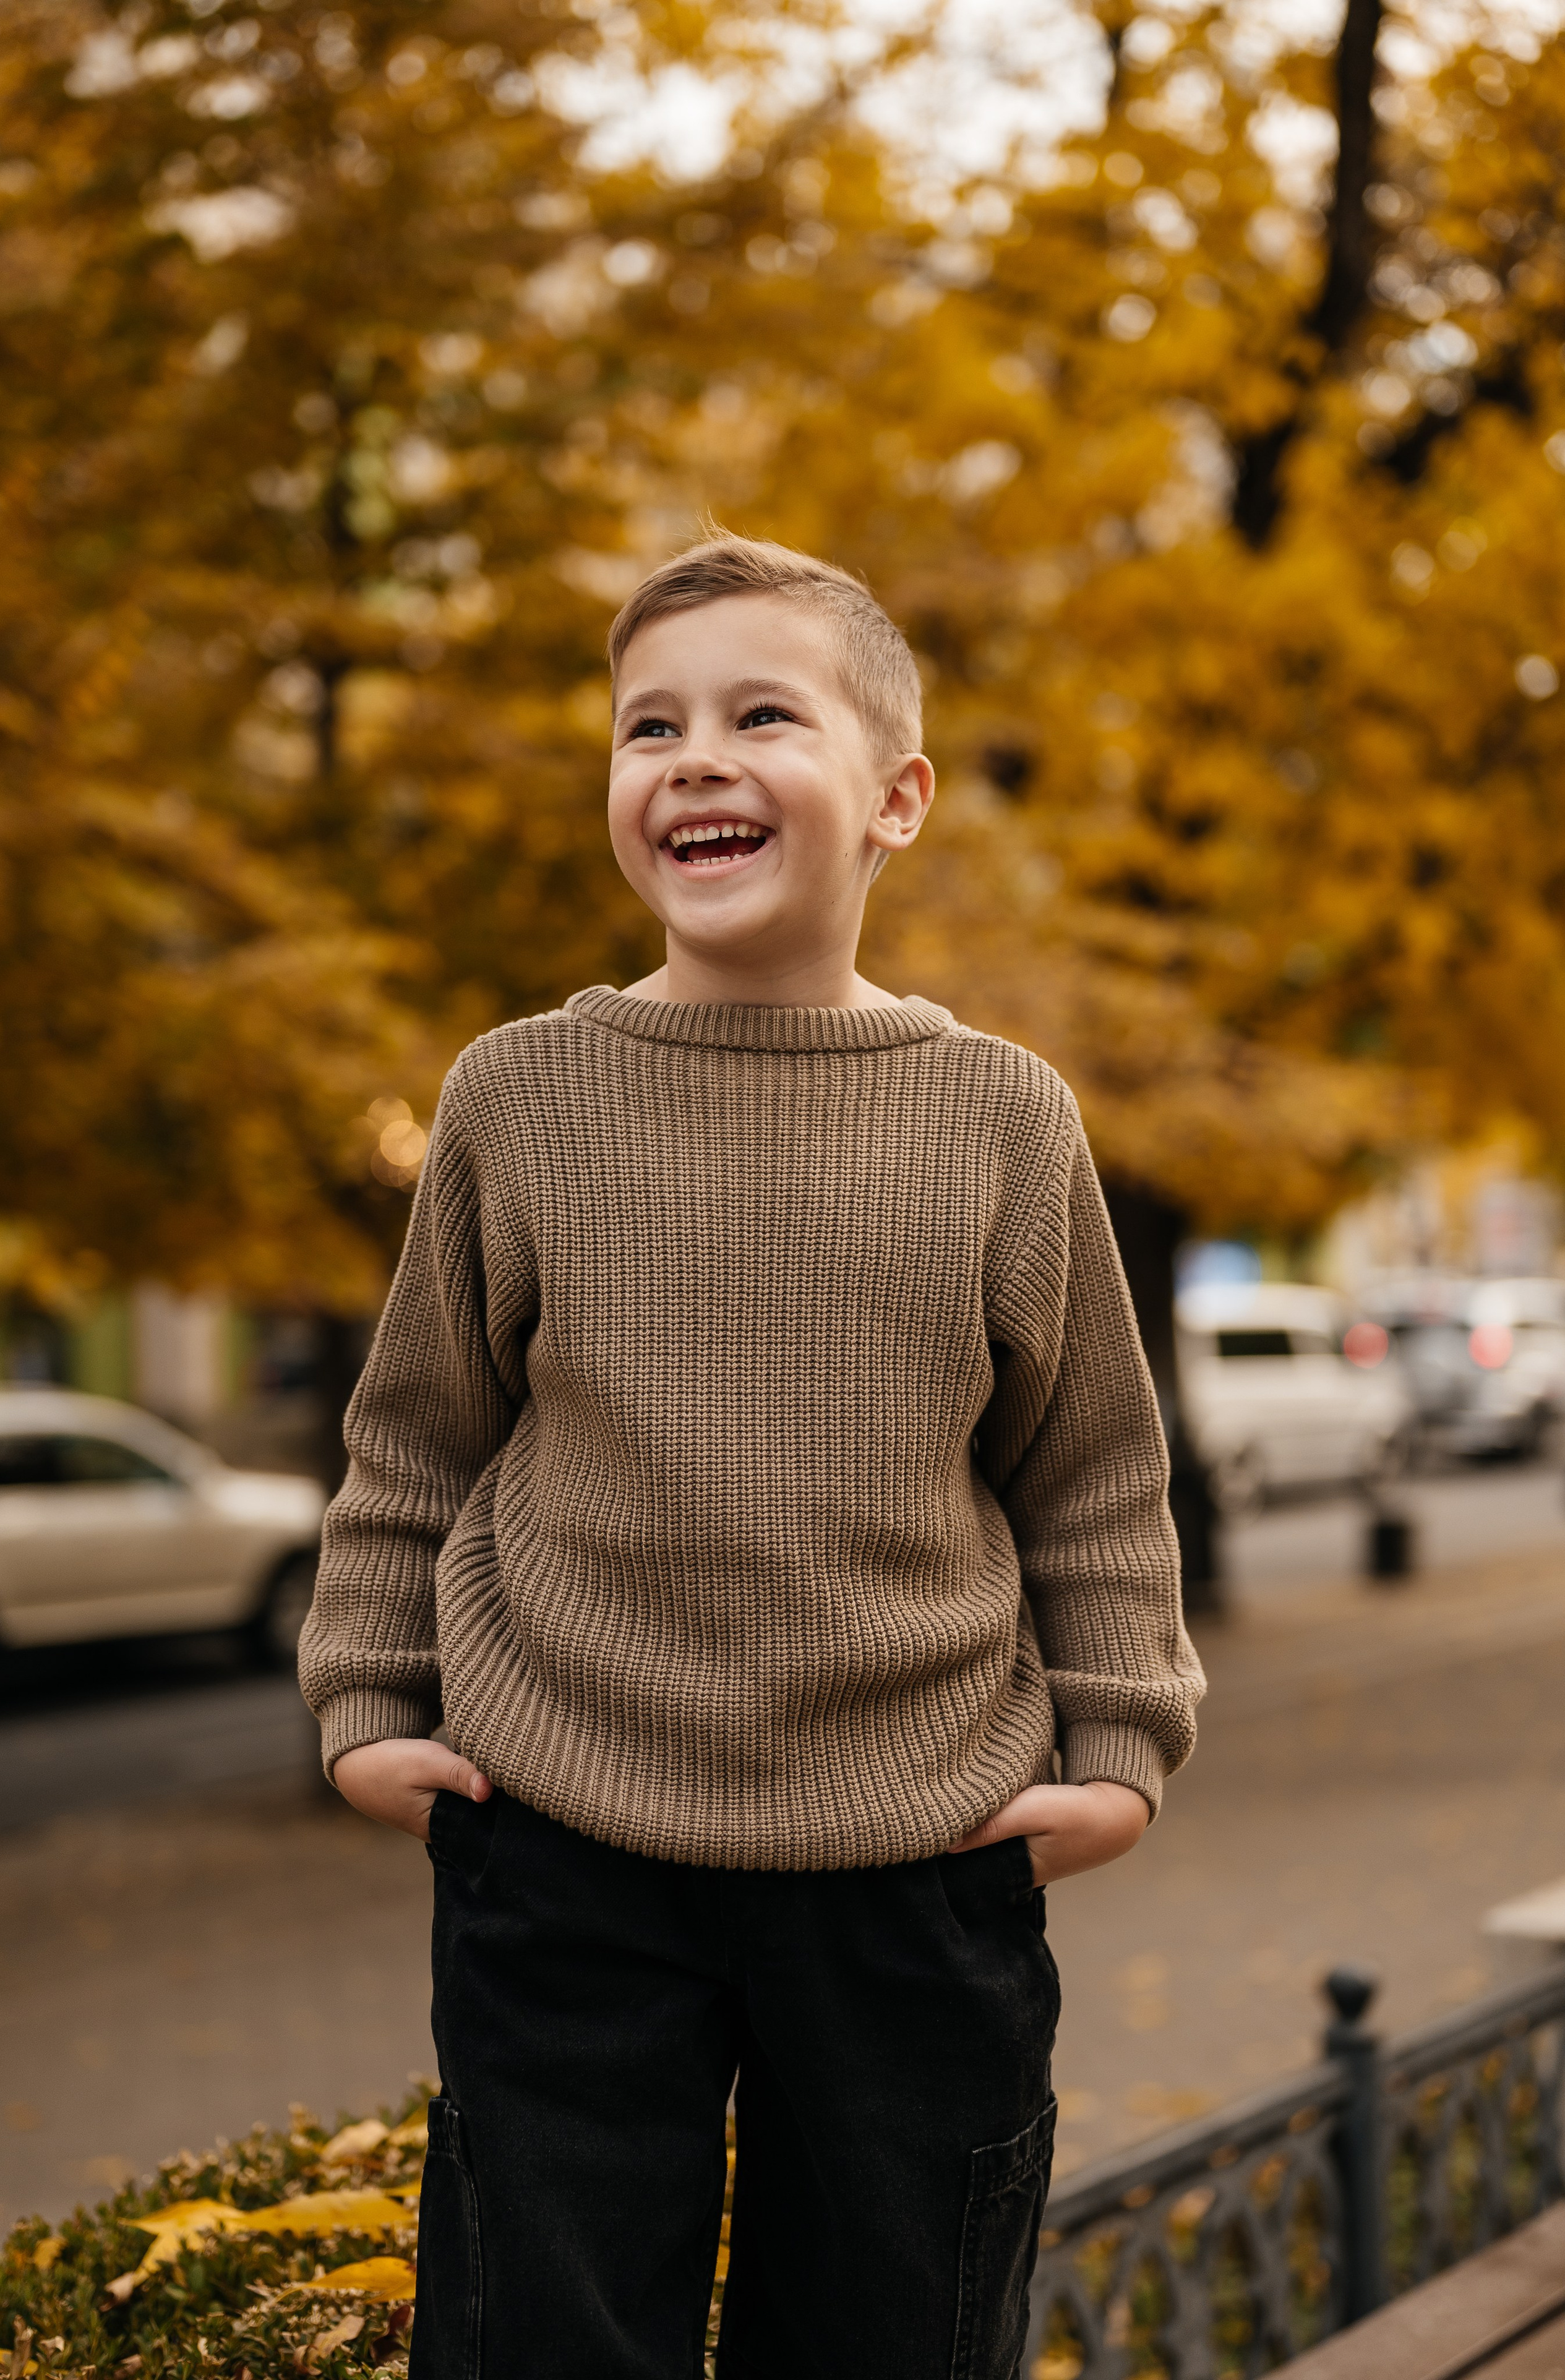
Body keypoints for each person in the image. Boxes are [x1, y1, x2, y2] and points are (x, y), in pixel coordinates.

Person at [300, 532, 1204, 2380]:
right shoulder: (516, 1094)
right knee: (550, 2335)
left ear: (898, 799)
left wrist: (1120, 1745)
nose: (691, 759)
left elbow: (1093, 1471)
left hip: (917, 1842)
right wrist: (368, 1696)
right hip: (559, 1835)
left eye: (758, 713)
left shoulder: (1003, 1116)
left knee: (897, 2331)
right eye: (649, 728)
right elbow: (415, 1436)